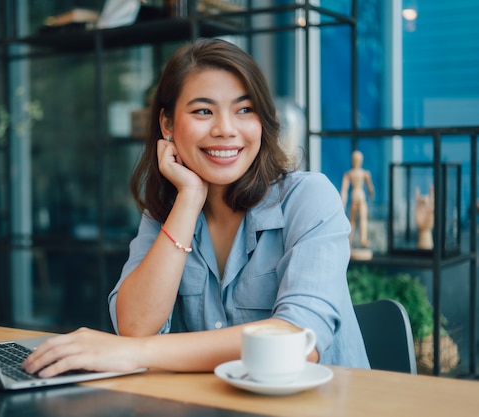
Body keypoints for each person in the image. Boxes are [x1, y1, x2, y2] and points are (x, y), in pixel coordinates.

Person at [22, 38, 369, 378]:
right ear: (167, 125)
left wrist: (137, 354)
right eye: (203, 111)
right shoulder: (167, 213)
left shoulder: (309, 197)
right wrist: (189, 199)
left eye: (244, 110)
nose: (225, 130)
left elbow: (298, 341)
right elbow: (135, 326)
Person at [340, 150, 375, 249]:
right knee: (355, 220)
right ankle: (354, 241)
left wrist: (343, 202)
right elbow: (370, 188)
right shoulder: (354, 174)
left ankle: (360, 240)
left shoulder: (359, 173)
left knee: (356, 220)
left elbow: (344, 191)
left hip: (356, 194)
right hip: (359, 194)